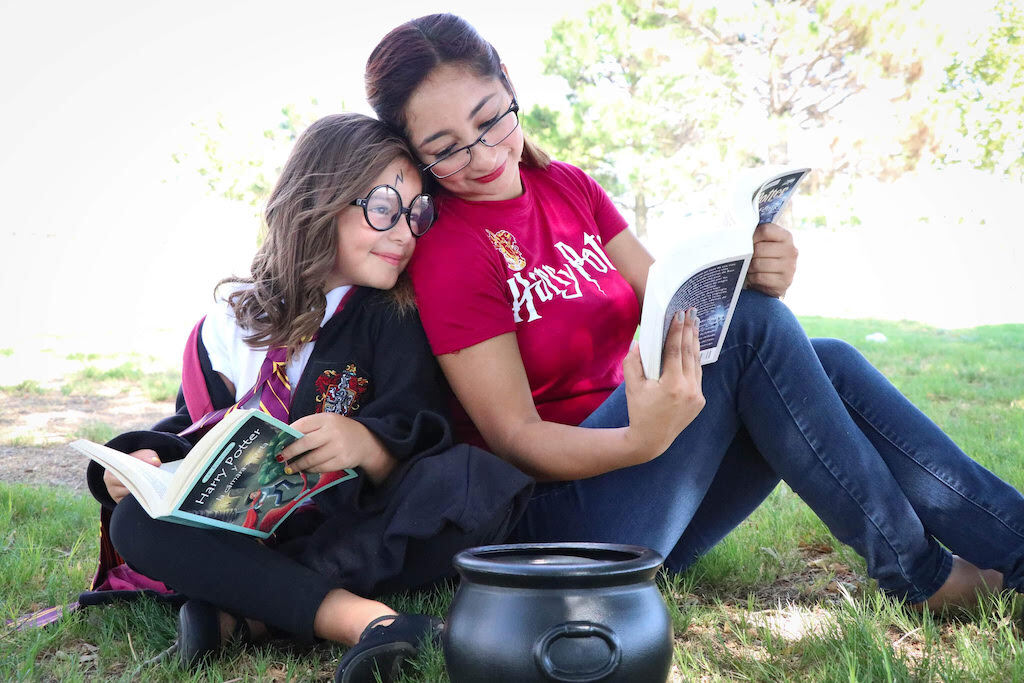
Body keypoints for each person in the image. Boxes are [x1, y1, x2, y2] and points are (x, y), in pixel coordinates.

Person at [363, 13, 1024, 612]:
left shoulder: (565, 186)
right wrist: (636, 440)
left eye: (490, 119)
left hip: (660, 488)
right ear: (412, 151)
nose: (481, 155)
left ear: (508, 82)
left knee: (829, 357)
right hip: (566, 531)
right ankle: (921, 575)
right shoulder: (449, 249)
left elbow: (680, 303)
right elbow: (515, 438)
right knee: (754, 332)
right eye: (445, 147)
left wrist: (763, 270)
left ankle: (1016, 546)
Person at [85, 112, 532, 682]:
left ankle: (251, 614)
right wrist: (141, 465)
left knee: (472, 482)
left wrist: (366, 444)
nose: (404, 232)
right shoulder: (226, 324)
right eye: (384, 209)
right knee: (135, 522)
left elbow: (417, 421)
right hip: (244, 528)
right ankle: (362, 619)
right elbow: (192, 427)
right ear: (320, 201)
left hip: (354, 525)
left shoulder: (392, 315)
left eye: (416, 214)